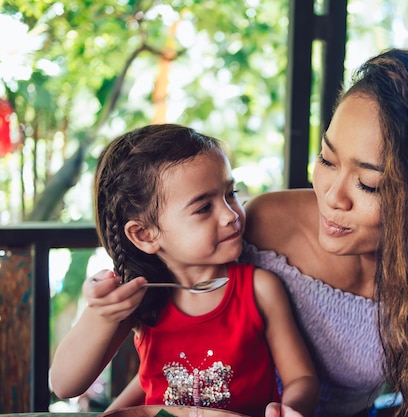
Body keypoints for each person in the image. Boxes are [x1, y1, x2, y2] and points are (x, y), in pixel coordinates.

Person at [81, 48, 408, 417]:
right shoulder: (261, 225)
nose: (332, 196)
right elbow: (189, 351)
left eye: (369, 183)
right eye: (327, 159)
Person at [49, 124, 319, 417]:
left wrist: (290, 408)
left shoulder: (259, 289)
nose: (231, 215)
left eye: (231, 193)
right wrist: (100, 314)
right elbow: (64, 385)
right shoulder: (141, 298)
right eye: (204, 208)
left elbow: (301, 378)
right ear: (145, 234)